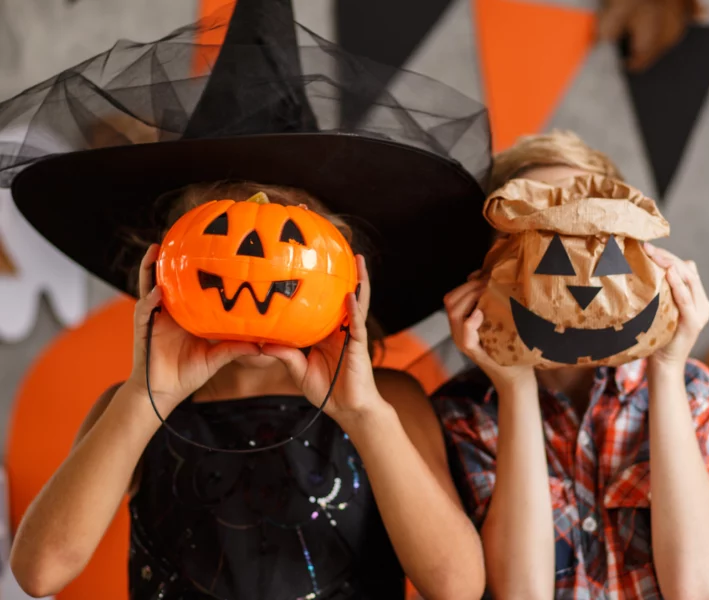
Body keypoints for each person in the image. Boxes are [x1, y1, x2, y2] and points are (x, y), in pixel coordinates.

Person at [0, 2, 493, 599]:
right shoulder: (133, 409)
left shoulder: (388, 401)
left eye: (292, 235)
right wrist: (142, 400)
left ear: (343, 271)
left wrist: (363, 416)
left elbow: (458, 587)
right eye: (221, 235)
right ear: (165, 266)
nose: (257, 261)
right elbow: (40, 570)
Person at [436, 129, 709, 599]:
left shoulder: (702, 393)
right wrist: (513, 386)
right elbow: (522, 593)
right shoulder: (462, 413)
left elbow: (693, 587)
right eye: (549, 246)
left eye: (599, 242)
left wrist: (667, 368)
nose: (582, 283)